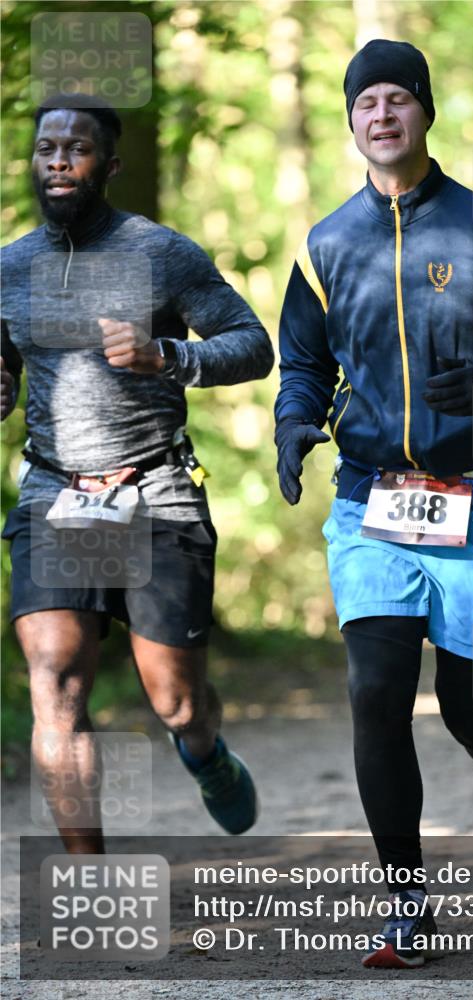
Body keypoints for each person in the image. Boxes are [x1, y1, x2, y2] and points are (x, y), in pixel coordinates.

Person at [275, 40, 473, 969]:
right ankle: (405, 905)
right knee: (374, 692)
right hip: (373, 502)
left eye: (397, 98)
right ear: (351, 120)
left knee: (469, 707)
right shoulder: (325, 245)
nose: (381, 115)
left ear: (425, 112)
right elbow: (304, 362)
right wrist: (292, 425)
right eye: (366, 102)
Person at [1, 94, 274, 854]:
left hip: (154, 491)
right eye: (46, 147)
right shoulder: (9, 266)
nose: (58, 159)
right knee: (55, 689)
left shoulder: (162, 253)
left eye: (77, 148)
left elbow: (253, 345)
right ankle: (88, 877)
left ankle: (204, 751)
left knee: (175, 701)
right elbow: (6, 361)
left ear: (109, 165)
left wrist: (171, 356)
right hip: (57, 491)